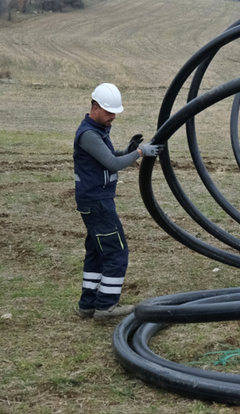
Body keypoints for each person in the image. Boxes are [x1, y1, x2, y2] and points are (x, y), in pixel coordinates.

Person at [74, 83, 159, 320]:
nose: (113, 117)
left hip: (94, 201)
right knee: (116, 252)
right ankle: (106, 306)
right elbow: (112, 164)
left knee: (96, 252)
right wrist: (140, 152)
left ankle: (88, 304)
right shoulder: (89, 135)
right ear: (95, 108)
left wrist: (128, 150)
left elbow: (107, 158)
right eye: (109, 112)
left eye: (115, 113)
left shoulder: (97, 131)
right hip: (98, 203)